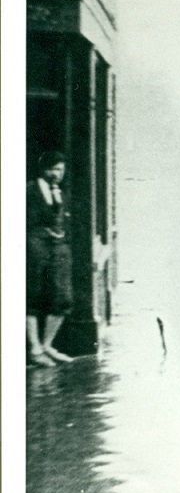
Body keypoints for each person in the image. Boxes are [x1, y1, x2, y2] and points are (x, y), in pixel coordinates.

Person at [26, 151, 76, 366]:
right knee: (32, 297)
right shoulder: (28, 191)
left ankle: (47, 345)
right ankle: (35, 348)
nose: (57, 174)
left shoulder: (62, 195)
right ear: (43, 170)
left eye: (61, 170)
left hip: (58, 250)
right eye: (53, 169)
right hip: (34, 248)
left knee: (62, 298)